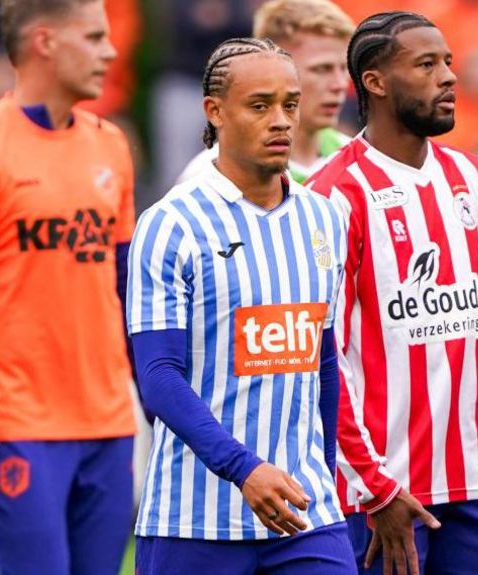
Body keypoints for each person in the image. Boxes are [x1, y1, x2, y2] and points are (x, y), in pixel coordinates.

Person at [306, 11, 478, 575]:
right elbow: (326, 355)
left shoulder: (476, 179)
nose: (449, 76)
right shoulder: (335, 194)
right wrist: (373, 487)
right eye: (426, 64)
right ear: (375, 82)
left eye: (447, 61)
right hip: (385, 498)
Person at [128, 37, 355, 575]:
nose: (281, 120)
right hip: (195, 519)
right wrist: (244, 468)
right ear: (215, 112)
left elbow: (321, 361)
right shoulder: (170, 224)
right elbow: (159, 376)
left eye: (290, 105)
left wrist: (319, 473)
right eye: (260, 105)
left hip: (306, 516)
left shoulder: (324, 220)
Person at [0, 1, 137, 573]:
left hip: (110, 424)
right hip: (19, 426)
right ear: (45, 41)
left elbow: (124, 292)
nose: (110, 51)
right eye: (94, 37)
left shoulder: (112, 145)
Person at [177, 0, 354, 185]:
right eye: (322, 69)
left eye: (344, 68)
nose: (340, 84)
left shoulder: (358, 161)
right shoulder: (210, 176)